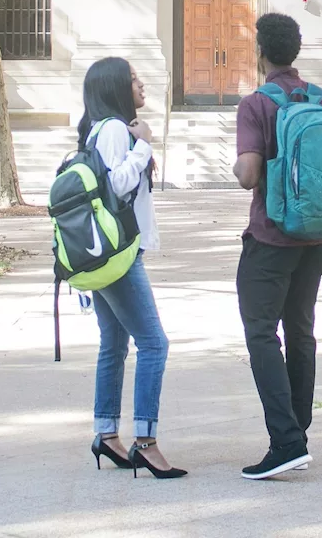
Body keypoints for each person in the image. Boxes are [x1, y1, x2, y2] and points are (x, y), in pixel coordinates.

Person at [231, 13, 322, 480]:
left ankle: (286, 441)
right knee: (300, 331)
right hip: (316, 235)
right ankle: (299, 431)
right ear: (294, 51)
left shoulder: (256, 104)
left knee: (261, 333)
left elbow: (249, 176)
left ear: (261, 53)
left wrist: (237, 163)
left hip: (272, 236)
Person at [80, 56, 187, 480]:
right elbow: (115, 185)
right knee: (154, 344)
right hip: (118, 253)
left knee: (114, 343)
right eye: (134, 79)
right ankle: (145, 442)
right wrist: (143, 146)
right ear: (115, 88)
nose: (142, 84)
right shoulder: (110, 130)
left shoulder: (102, 129)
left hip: (108, 252)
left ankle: (106, 434)